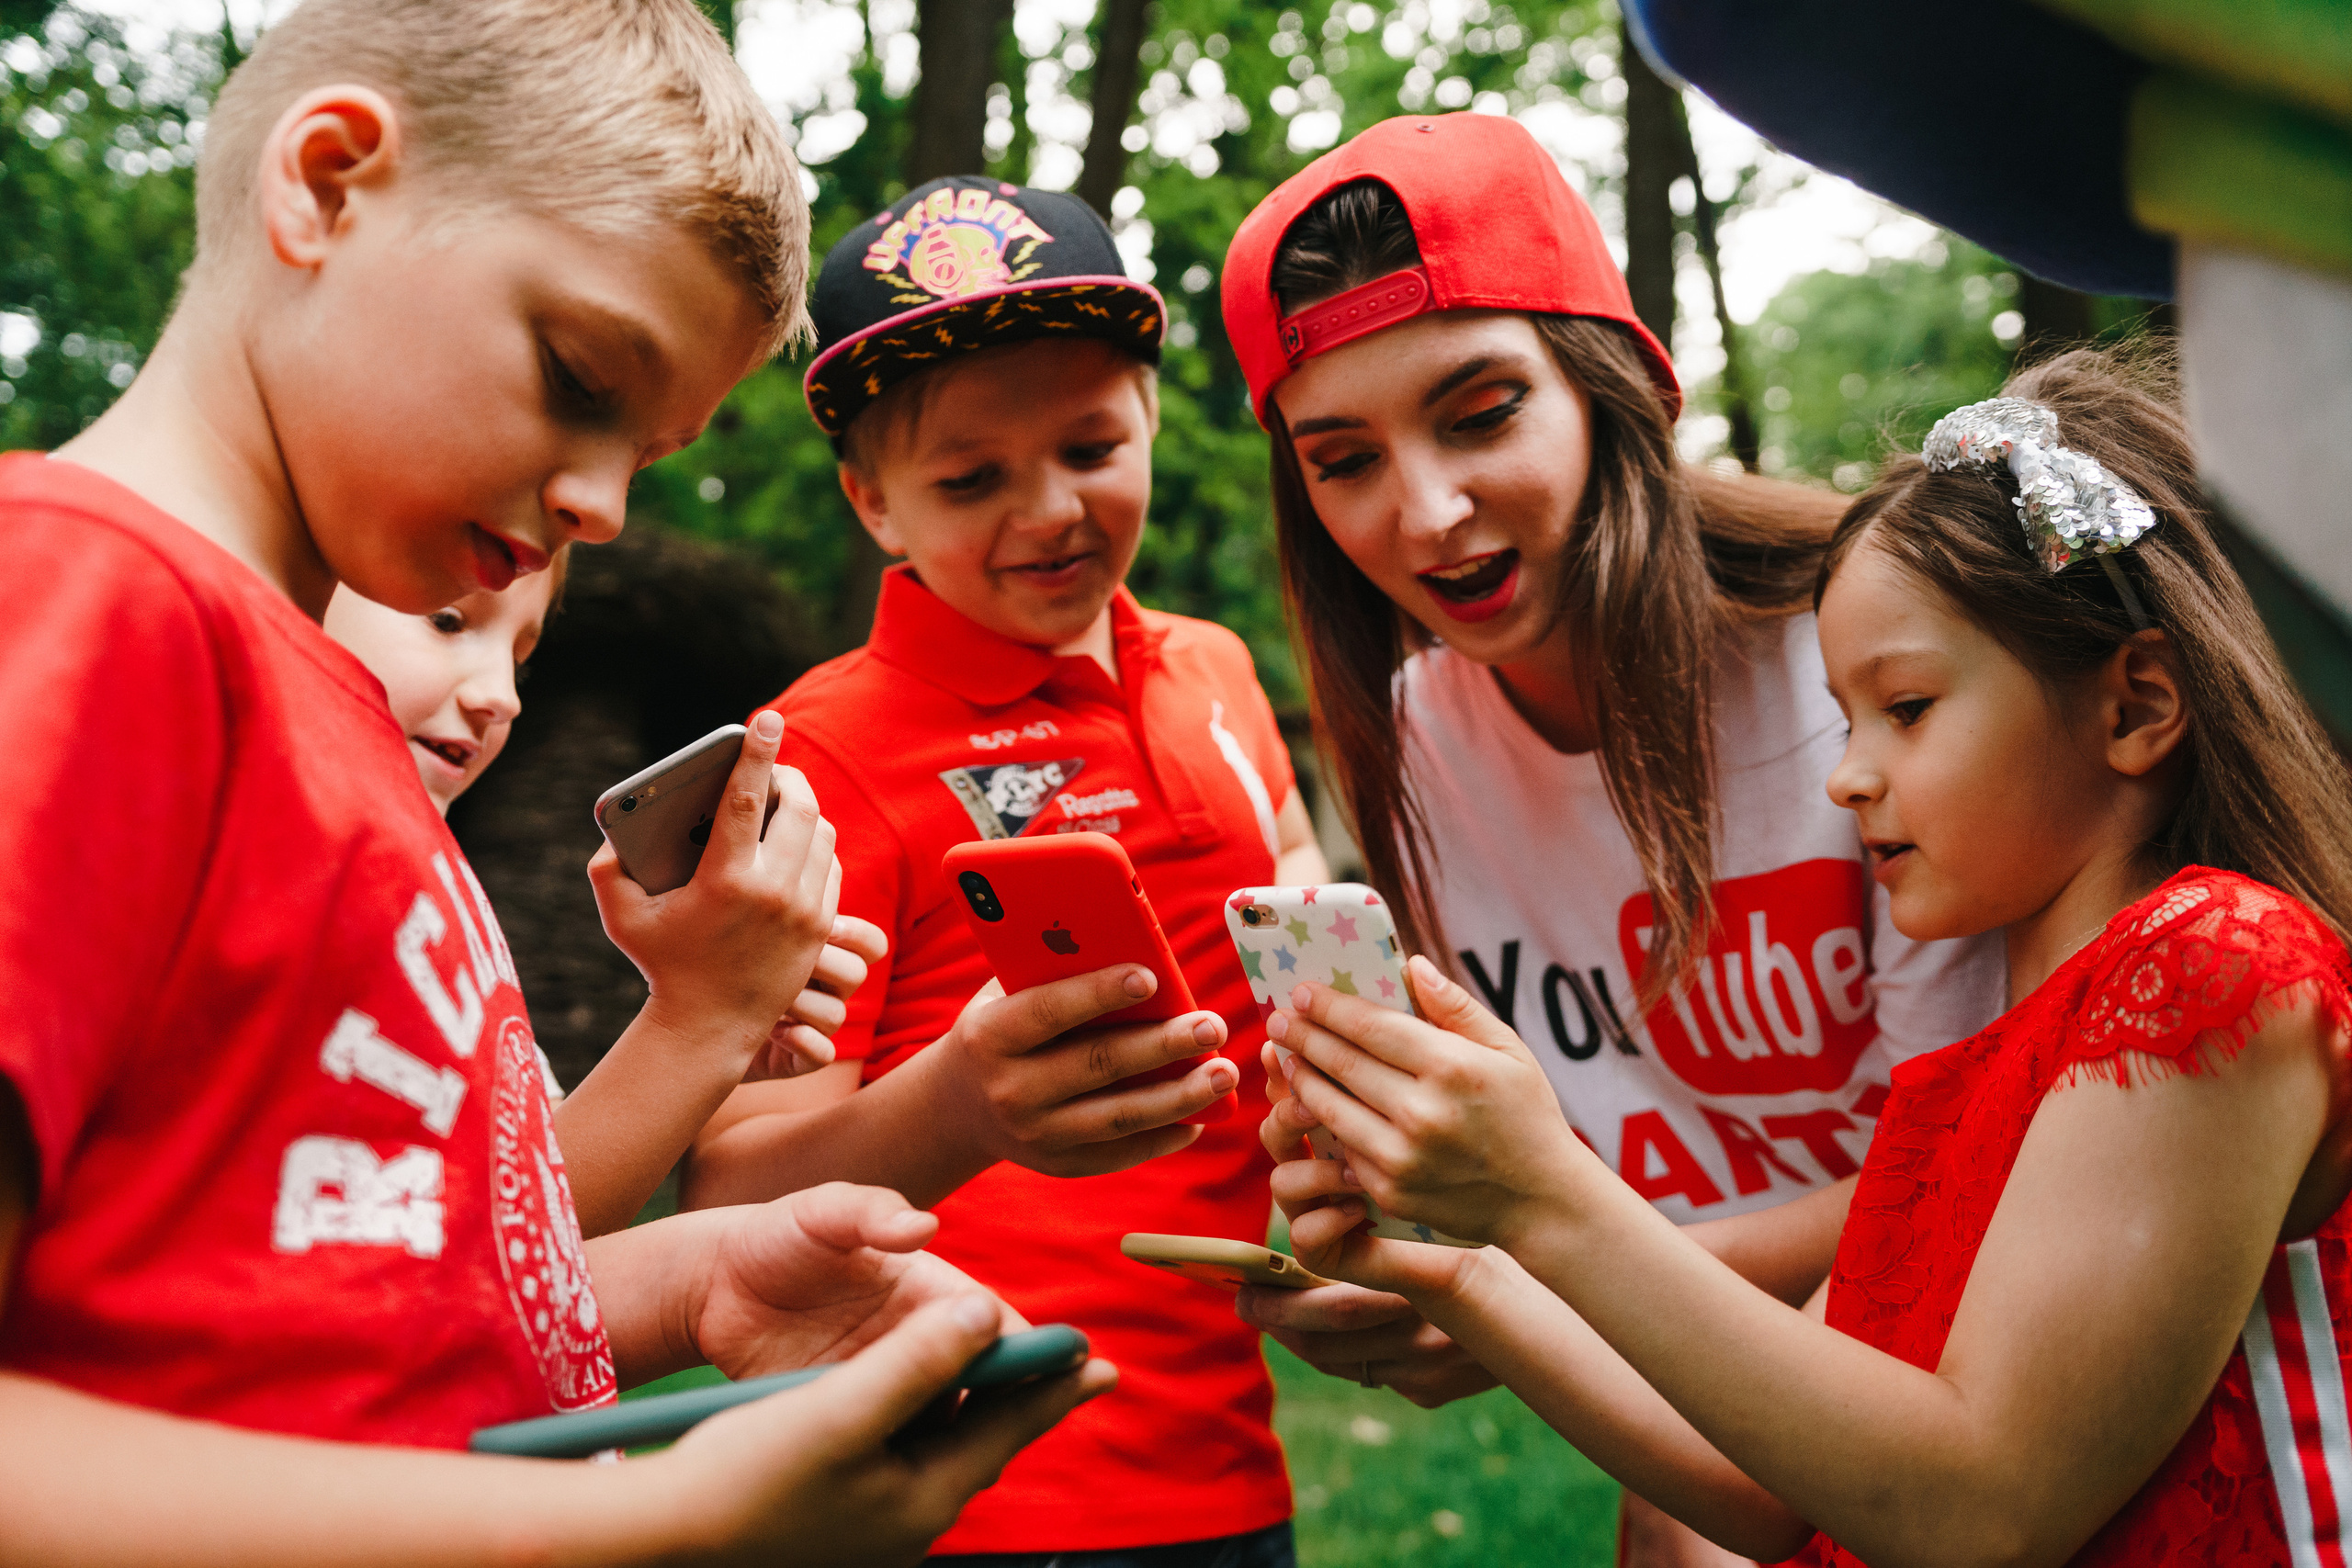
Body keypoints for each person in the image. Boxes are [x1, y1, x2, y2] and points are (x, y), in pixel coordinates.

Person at [0, 4, 1106, 1562]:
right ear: (325, 184)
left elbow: (347, 1290)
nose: (601, 507)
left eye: (645, 453)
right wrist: (647, 1525)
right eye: (582, 376)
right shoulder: (80, 605)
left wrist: (691, 1281)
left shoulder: (325, 717)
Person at [1261, 344, 2352, 1564]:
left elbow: (1985, 1506)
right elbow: (1774, 1480)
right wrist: (1466, 1277)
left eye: (1907, 709)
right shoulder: (1977, 1069)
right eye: (1843, 719)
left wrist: (1541, 1192)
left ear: (2135, 704)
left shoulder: (2212, 967)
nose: (1846, 778)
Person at [1215, 112, 2006, 1562]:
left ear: (1615, 382)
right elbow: (1547, 1162)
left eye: (1480, 412)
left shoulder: (1860, 661)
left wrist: (1549, 1278)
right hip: (1701, 1416)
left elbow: (1973, 1154)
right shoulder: (1415, 738)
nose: (1428, 512)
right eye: (1343, 459)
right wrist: (1404, 1223)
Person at [683, 176, 1328, 1566]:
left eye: (1091, 446)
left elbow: (1300, 950)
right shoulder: (816, 757)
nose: (1050, 511)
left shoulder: (1216, 671)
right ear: (872, 502)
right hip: (968, 1479)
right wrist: (962, 1103)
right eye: (970, 479)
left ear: (1150, 418)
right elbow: (728, 1194)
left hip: (1229, 1461)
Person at [324, 575, 892, 1235]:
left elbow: (537, 1227)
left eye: (521, 663)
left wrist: (709, 1046)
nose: (503, 697)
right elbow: (505, 1247)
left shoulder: (441, 923)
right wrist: (704, 1022)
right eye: (447, 621)